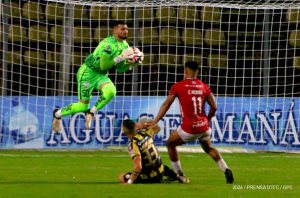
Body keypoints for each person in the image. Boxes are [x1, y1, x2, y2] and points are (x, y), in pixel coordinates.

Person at [146, 61, 234, 184]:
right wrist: (206, 121)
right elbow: (214, 107)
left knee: (170, 144)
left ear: (185, 71)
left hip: (189, 128)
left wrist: (156, 120)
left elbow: (167, 104)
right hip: (204, 127)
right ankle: (226, 169)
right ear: (197, 72)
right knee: (209, 148)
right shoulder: (204, 86)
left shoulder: (178, 86)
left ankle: (178, 174)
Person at [52, 20, 142, 132]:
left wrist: (132, 63)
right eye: (122, 29)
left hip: (100, 75)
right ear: (115, 30)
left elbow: (119, 68)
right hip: (87, 73)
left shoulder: (125, 45)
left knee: (111, 91)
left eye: (127, 29)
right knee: (82, 106)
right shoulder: (107, 45)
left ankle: (91, 112)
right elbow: (104, 65)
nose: (126, 31)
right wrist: (121, 57)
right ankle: (57, 114)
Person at [119, 118, 189, 184]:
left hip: (150, 177)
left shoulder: (133, 144)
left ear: (125, 131)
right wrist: (144, 125)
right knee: (161, 165)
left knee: (121, 177)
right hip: (160, 171)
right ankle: (177, 176)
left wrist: (130, 181)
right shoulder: (145, 133)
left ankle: (152, 178)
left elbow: (138, 167)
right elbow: (157, 128)